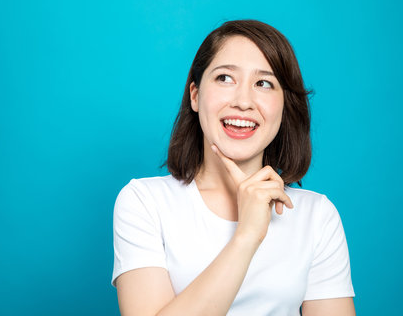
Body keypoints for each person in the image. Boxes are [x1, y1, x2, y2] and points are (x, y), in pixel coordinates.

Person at [111, 20, 355, 315]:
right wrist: (247, 236)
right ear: (196, 95)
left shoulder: (316, 216)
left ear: (284, 106)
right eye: (225, 78)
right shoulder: (144, 202)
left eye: (264, 83)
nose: (243, 102)